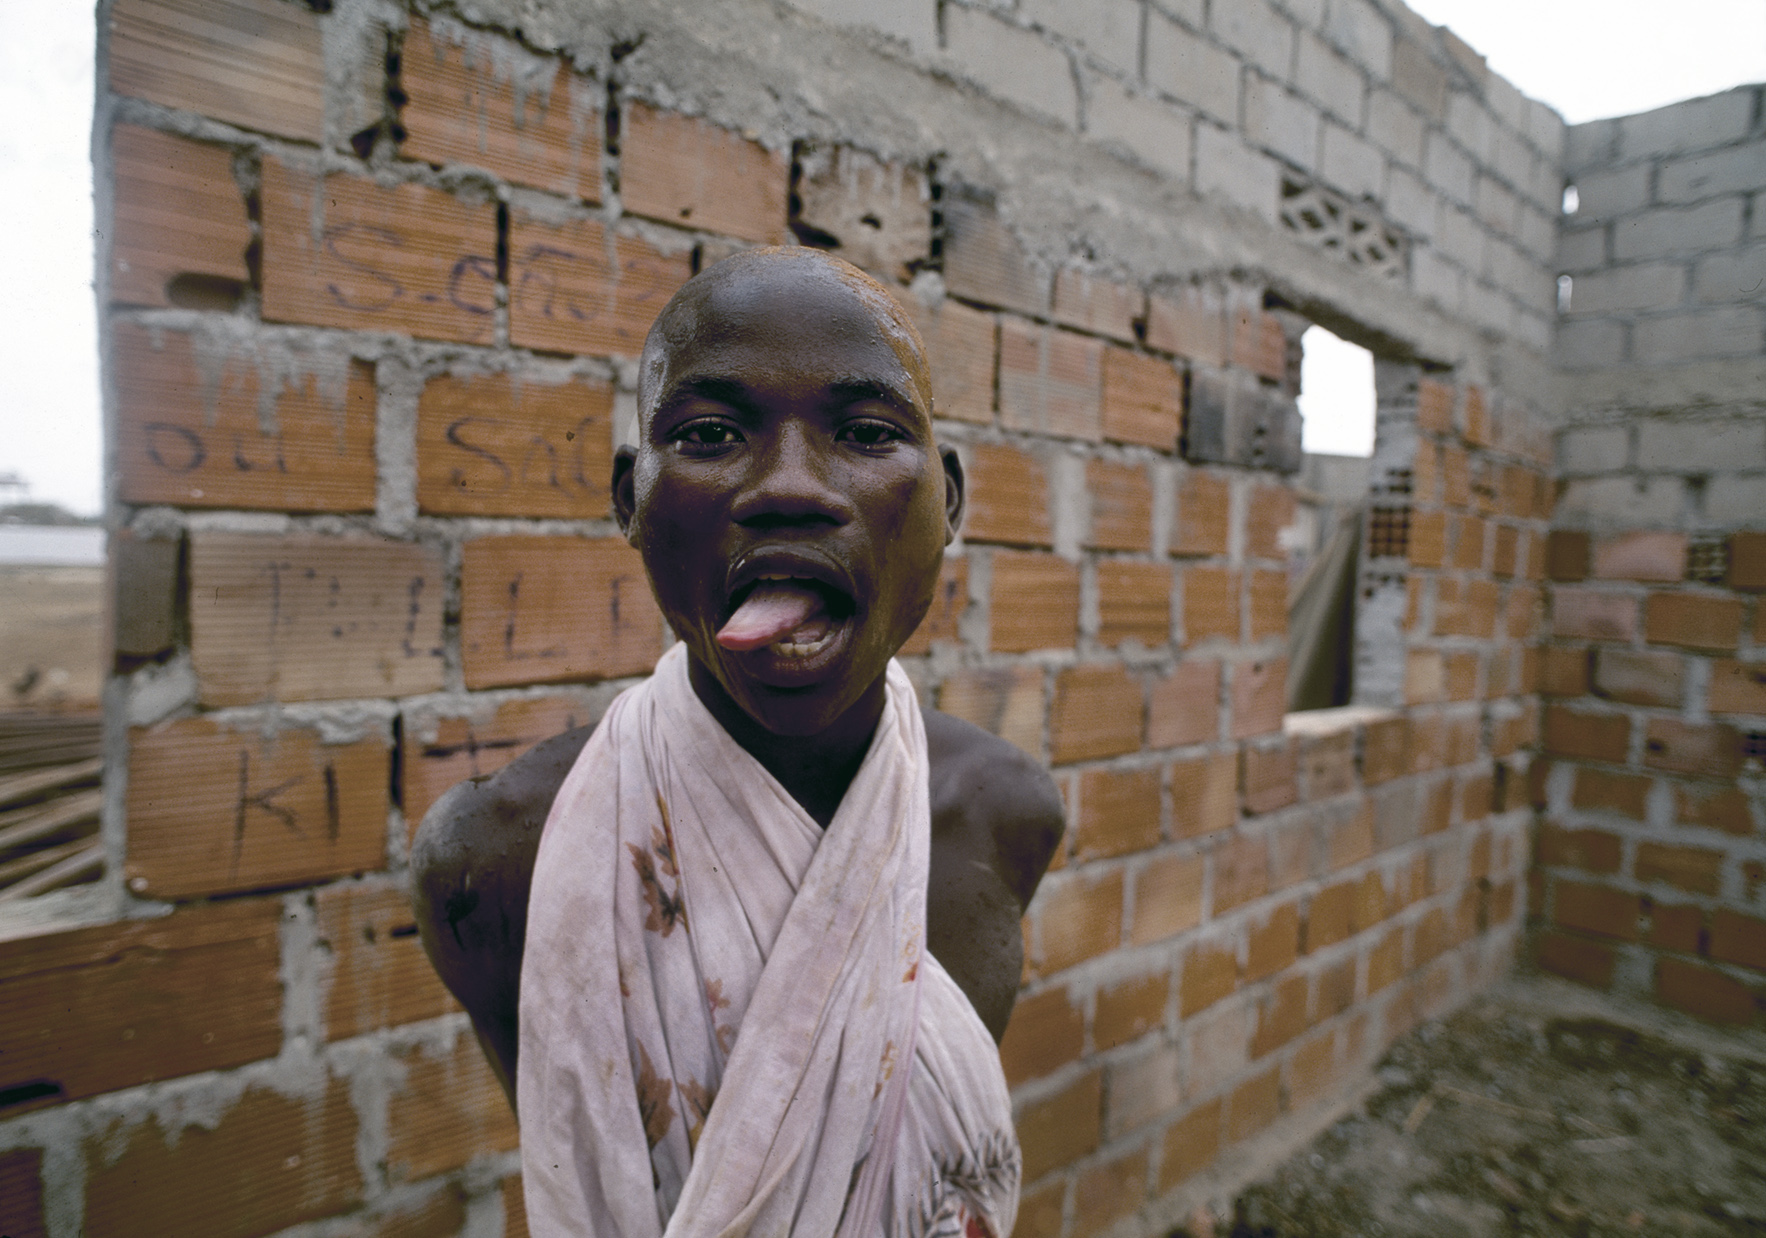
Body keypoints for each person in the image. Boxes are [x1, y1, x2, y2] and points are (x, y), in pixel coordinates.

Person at [410, 247, 1065, 1237]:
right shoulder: (500, 860)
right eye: (711, 433)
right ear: (630, 499)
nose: (790, 488)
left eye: (867, 432)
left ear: (950, 500)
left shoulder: (1000, 815)